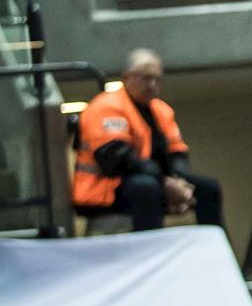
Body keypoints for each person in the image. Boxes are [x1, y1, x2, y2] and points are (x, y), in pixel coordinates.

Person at [72, 50, 223, 233]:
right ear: (127, 77)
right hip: (105, 190)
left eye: (157, 80)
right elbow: (115, 159)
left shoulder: (161, 110)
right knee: (145, 187)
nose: (152, 85)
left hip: (153, 179)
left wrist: (179, 182)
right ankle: (152, 247)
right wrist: (165, 183)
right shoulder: (106, 106)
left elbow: (177, 151)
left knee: (208, 188)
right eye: (146, 78)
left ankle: (214, 247)